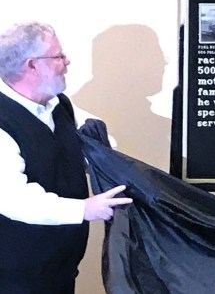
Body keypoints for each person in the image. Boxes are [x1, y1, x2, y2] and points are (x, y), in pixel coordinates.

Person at [0, 21, 133, 294]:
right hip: (14, 279)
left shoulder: (59, 105)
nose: (67, 61)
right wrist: (85, 209)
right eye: (58, 55)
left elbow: (99, 144)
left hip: (59, 271)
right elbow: (13, 200)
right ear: (32, 65)